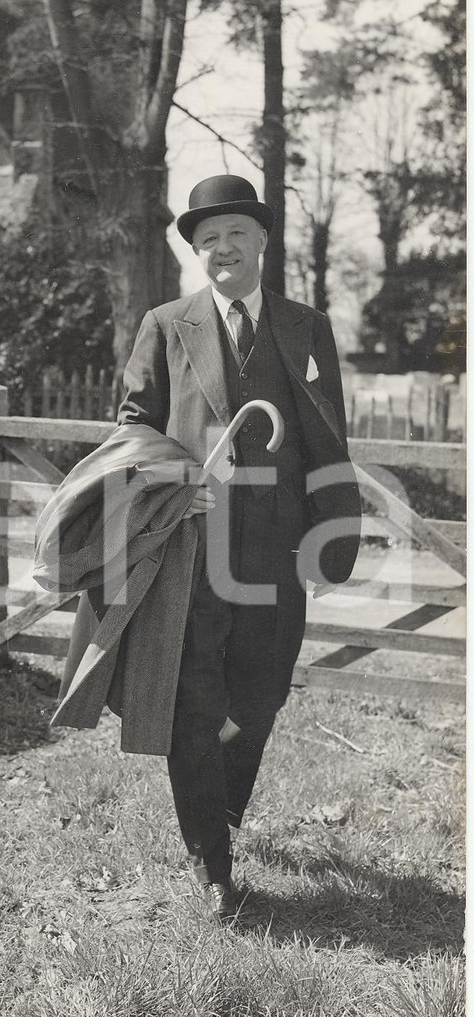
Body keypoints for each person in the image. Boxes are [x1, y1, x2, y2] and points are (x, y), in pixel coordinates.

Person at [117, 174, 361, 921]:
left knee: (260, 694)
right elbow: (133, 426)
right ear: (195, 252)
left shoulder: (307, 326)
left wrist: (330, 535)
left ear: (261, 241)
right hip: (194, 548)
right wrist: (170, 485)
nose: (221, 248)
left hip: (278, 550)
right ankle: (212, 864)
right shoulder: (166, 324)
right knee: (193, 698)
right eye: (207, 239)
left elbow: (328, 434)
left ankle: (217, 807)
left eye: (235, 234)